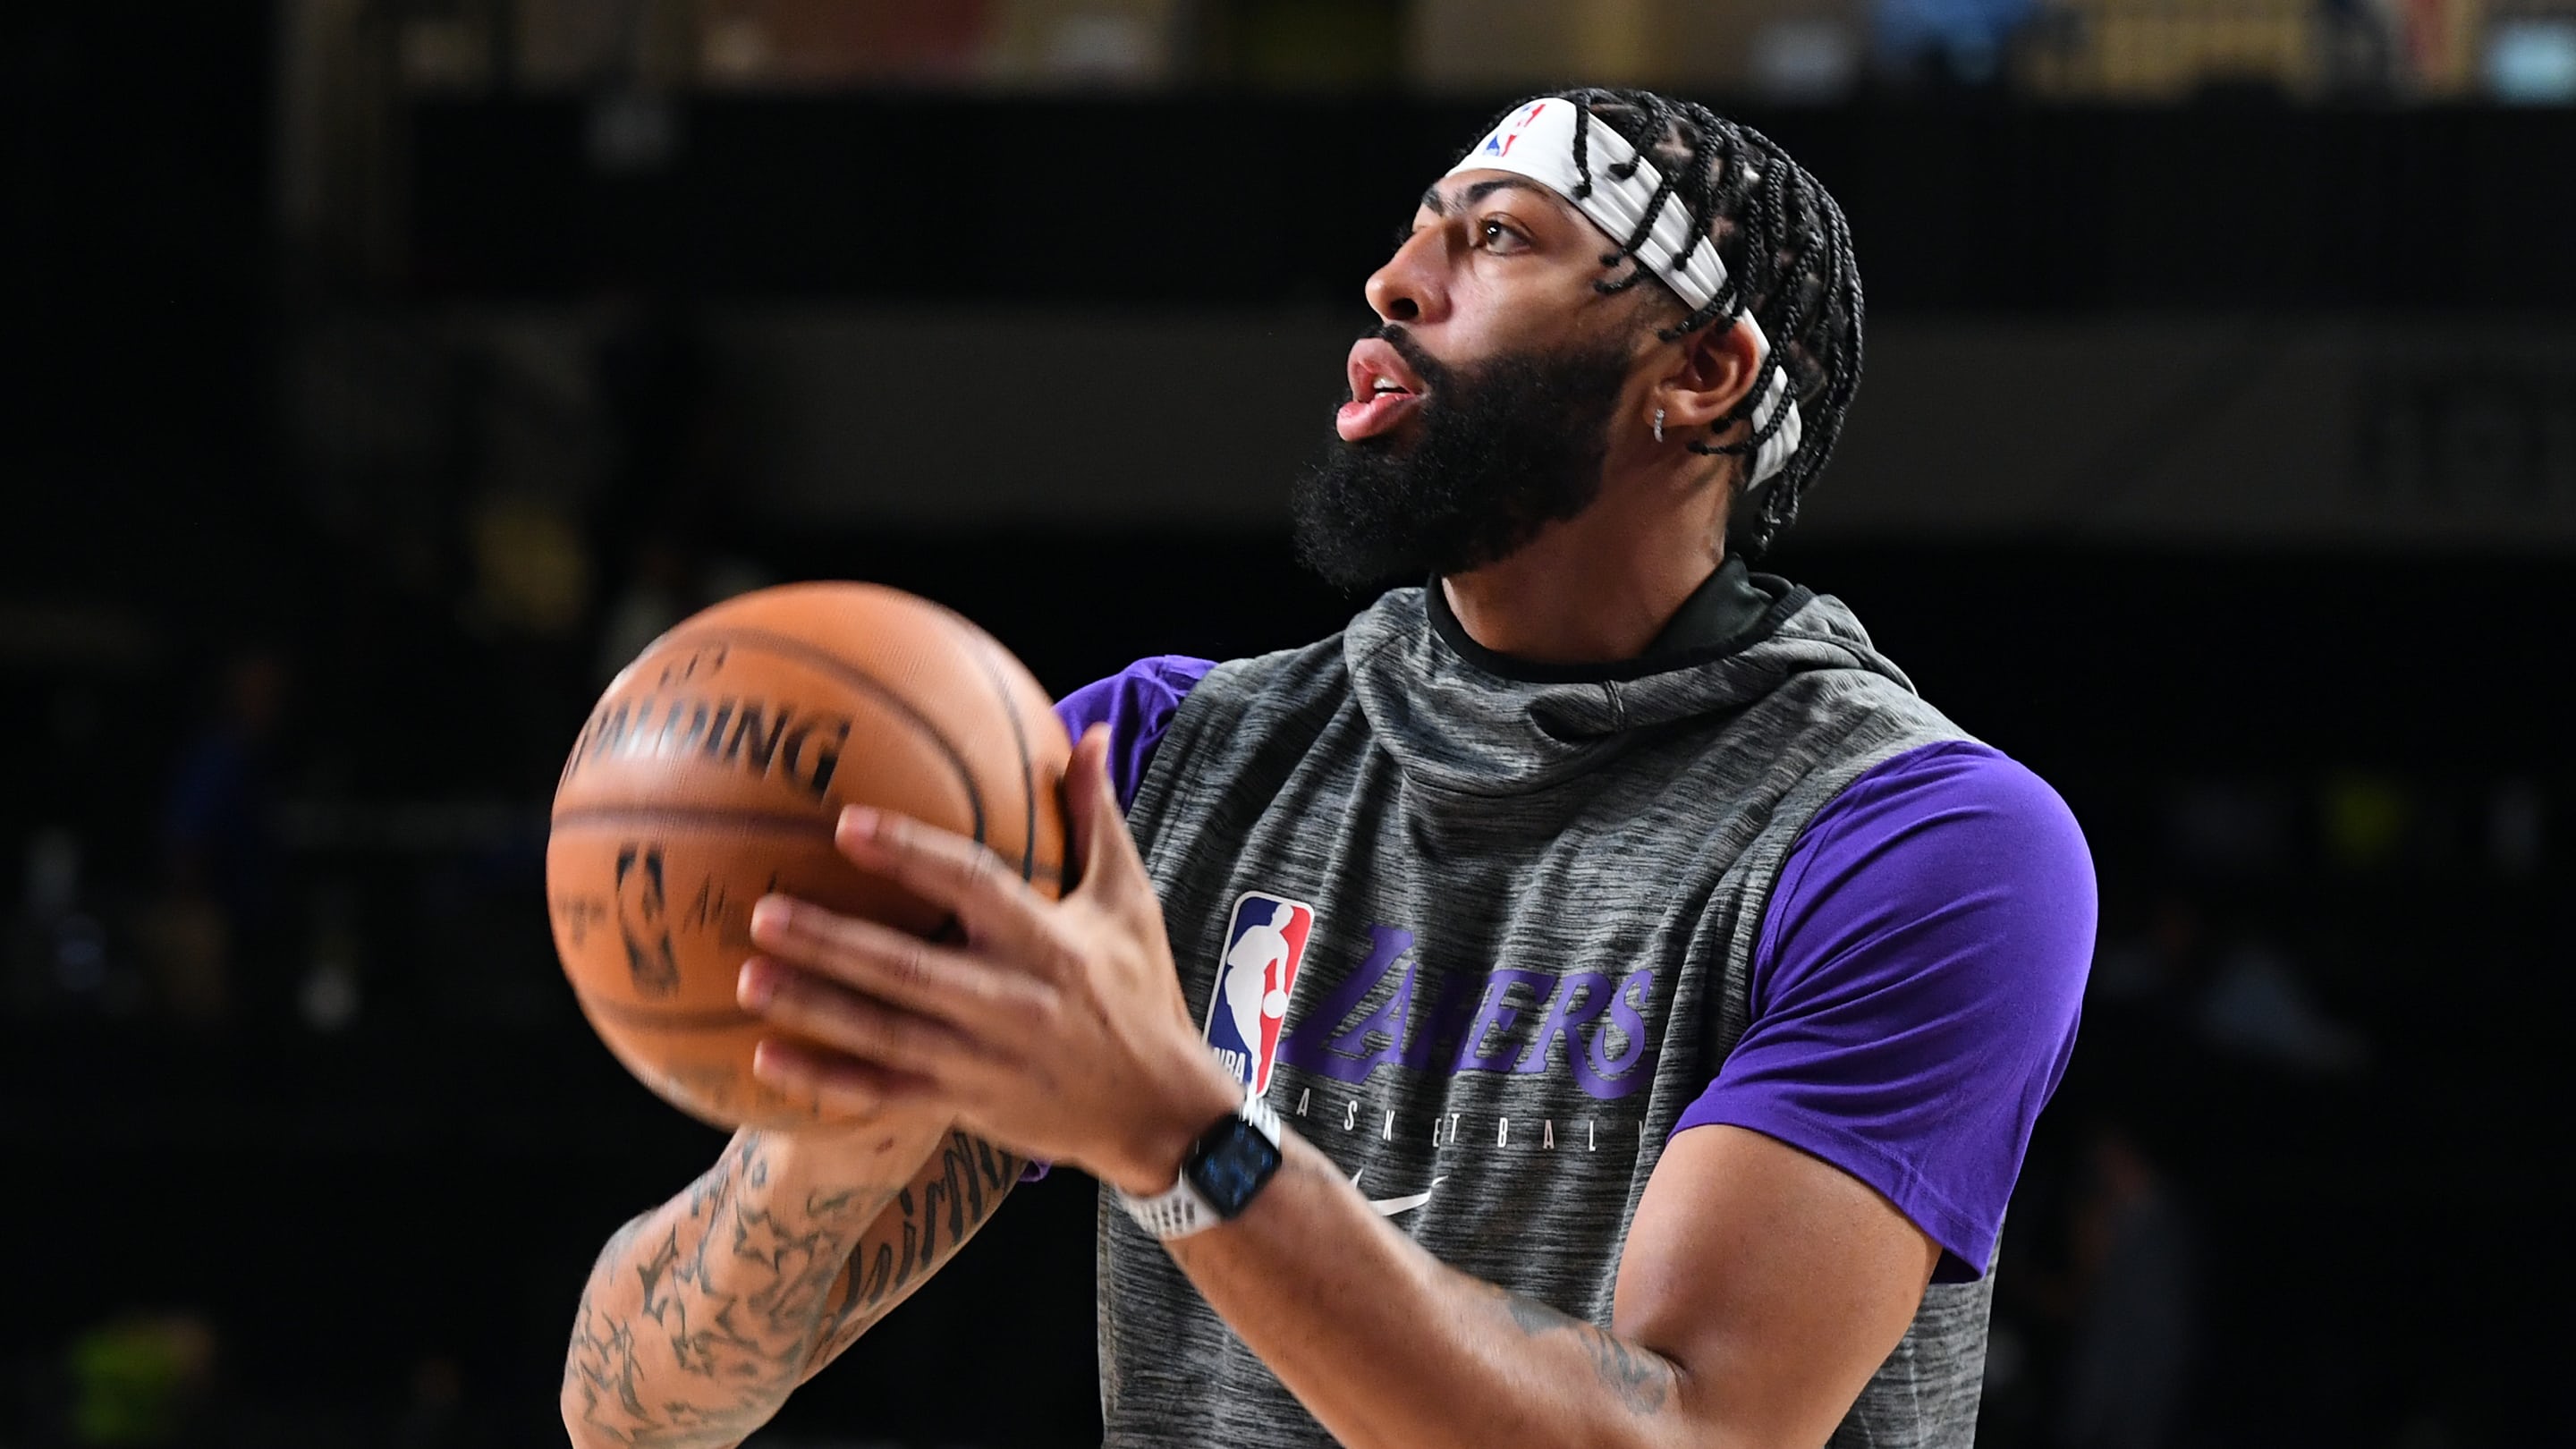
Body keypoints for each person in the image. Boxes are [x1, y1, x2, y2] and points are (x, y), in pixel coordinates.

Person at [562, 88, 2094, 1449]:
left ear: (1698, 371)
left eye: (1495, 237)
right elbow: (634, 1409)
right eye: (1414, 230)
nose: (1391, 281)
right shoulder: (1145, 771)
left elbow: (1689, 1432)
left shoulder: (1920, 843)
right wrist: (849, 1136)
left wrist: (1177, 1134)